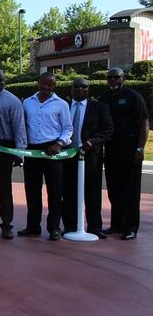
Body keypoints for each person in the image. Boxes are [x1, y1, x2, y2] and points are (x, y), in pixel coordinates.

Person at [19, 72, 73, 241]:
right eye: (44, 84)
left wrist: (59, 143)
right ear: (38, 83)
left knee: (55, 192)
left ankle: (54, 228)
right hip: (32, 151)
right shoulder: (27, 103)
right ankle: (33, 226)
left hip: (53, 151)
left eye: (50, 85)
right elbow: (22, 126)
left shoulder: (61, 104)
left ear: (54, 86)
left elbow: (68, 128)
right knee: (32, 190)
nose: (46, 87)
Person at [99, 68, 149, 241]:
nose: (113, 80)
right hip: (111, 147)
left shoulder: (133, 97)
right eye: (110, 77)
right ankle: (117, 224)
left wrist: (140, 148)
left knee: (131, 189)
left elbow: (144, 123)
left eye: (116, 77)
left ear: (123, 78)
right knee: (114, 189)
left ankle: (130, 227)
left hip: (130, 146)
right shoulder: (104, 99)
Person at [62, 78, 113, 238]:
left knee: (92, 194)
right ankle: (70, 226)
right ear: (71, 88)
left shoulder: (99, 108)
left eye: (84, 87)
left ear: (88, 89)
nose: (80, 90)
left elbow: (107, 129)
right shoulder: (64, 106)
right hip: (67, 156)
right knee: (69, 193)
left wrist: (92, 141)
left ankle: (94, 227)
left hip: (90, 157)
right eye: (76, 86)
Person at [0, 68, 27, 239]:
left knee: (4, 189)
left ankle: (7, 225)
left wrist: (19, 152)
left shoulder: (13, 101)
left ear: (5, 81)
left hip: (5, 147)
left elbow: (19, 127)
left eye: (0, 80)